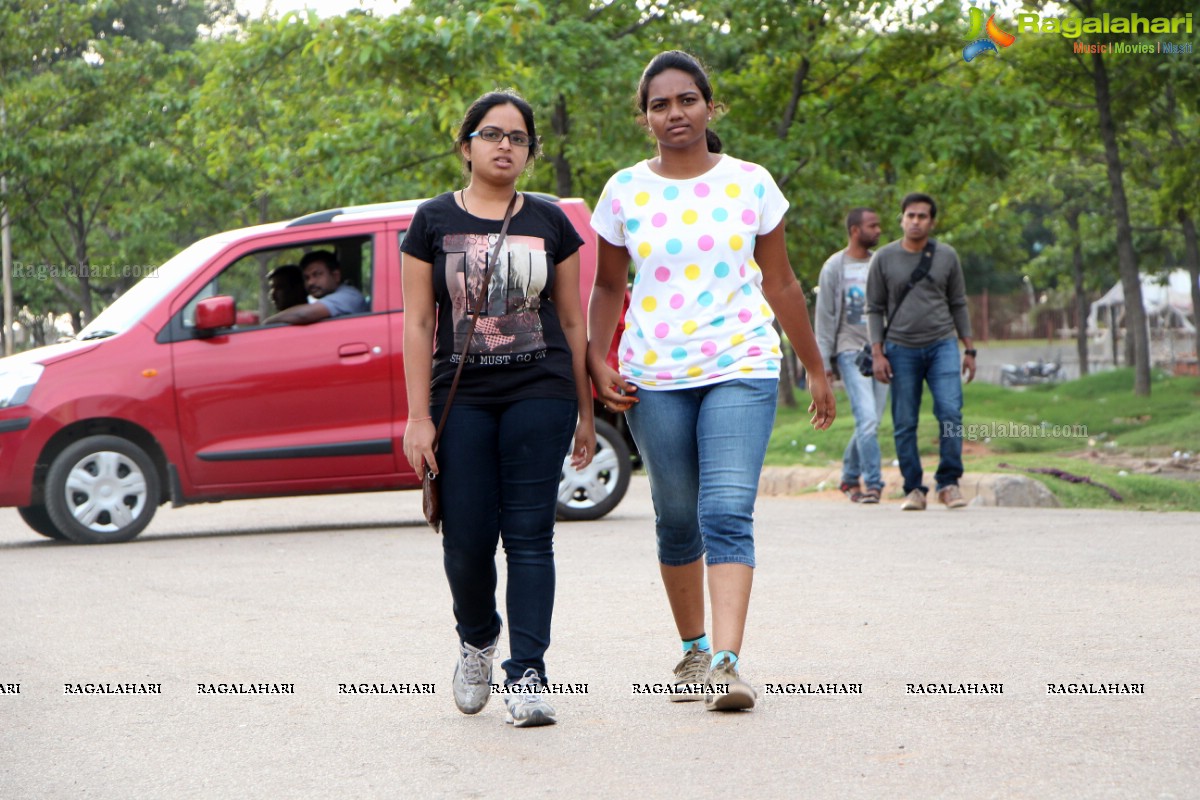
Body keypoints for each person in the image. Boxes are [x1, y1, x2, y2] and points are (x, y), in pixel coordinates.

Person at [587, 51, 835, 712]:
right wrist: (596, 358)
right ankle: (694, 648)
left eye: (687, 100)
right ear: (645, 118)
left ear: (710, 107)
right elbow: (609, 285)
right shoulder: (624, 191)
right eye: (660, 104)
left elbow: (780, 282)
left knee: (725, 510)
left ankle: (727, 663)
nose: (675, 113)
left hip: (741, 364)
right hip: (654, 375)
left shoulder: (751, 183)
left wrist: (813, 366)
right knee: (676, 519)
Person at [400, 90, 595, 728]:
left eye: (517, 137)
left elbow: (570, 319)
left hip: (541, 389)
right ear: (466, 147)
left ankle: (529, 674)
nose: (504, 145)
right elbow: (416, 324)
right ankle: (477, 639)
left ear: (530, 151)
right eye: (491, 134)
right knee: (467, 539)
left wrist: (587, 413)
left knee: (531, 536)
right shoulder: (430, 221)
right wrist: (417, 418)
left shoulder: (550, 222)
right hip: (462, 396)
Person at [866, 192, 975, 511]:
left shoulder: (947, 256)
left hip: (942, 344)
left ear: (932, 221)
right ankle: (914, 488)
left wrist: (970, 349)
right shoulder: (884, 258)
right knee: (904, 421)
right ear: (901, 219)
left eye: (922, 216)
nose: (915, 221)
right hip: (900, 348)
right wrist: (877, 352)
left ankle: (949, 483)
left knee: (950, 411)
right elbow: (874, 308)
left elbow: (958, 303)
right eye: (910, 215)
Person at [815, 208, 888, 504]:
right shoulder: (835, 266)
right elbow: (825, 316)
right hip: (849, 350)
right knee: (867, 420)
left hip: (881, 352)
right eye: (873, 225)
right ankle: (873, 484)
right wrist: (822, 363)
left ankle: (847, 477)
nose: (879, 230)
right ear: (855, 230)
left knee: (872, 421)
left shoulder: (880, 263)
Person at [265, 250, 367, 323]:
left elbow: (302, 314)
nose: (311, 282)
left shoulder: (348, 296)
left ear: (336, 276)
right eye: (307, 278)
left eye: (317, 274)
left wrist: (267, 323)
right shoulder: (321, 300)